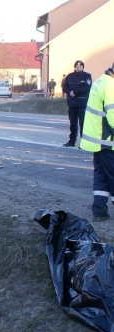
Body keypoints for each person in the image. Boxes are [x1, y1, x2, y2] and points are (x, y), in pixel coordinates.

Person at [79, 63, 114, 221]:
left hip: (99, 140)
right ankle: (99, 211)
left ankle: (99, 211)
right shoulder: (111, 86)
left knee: (101, 176)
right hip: (108, 141)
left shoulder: (102, 80)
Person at [62, 60, 92, 147]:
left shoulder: (87, 76)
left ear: (83, 68)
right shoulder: (70, 76)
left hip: (82, 103)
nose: (78, 68)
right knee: (73, 123)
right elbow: (65, 87)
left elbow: (87, 87)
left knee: (83, 123)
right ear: (74, 67)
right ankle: (72, 141)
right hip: (72, 103)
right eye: (77, 67)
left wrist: (76, 92)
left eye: (80, 67)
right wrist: (69, 92)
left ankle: (84, 142)